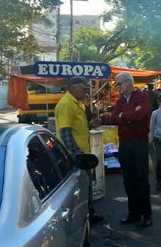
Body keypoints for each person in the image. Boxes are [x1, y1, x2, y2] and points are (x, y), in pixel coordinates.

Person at [54, 76, 104, 223]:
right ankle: (81, 217)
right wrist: (76, 153)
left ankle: (89, 213)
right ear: (73, 87)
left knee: (86, 184)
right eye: (83, 88)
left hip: (82, 151)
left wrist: (91, 124)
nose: (86, 91)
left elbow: (77, 126)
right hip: (74, 154)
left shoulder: (78, 104)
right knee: (79, 186)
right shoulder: (66, 104)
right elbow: (65, 131)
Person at [110, 72, 153, 228]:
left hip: (139, 143)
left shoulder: (142, 97)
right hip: (125, 144)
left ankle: (146, 213)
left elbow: (140, 115)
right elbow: (114, 118)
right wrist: (126, 116)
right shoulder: (120, 101)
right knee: (128, 180)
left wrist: (124, 117)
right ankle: (133, 212)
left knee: (141, 179)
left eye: (119, 84)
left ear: (129, 82)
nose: (117, 87)